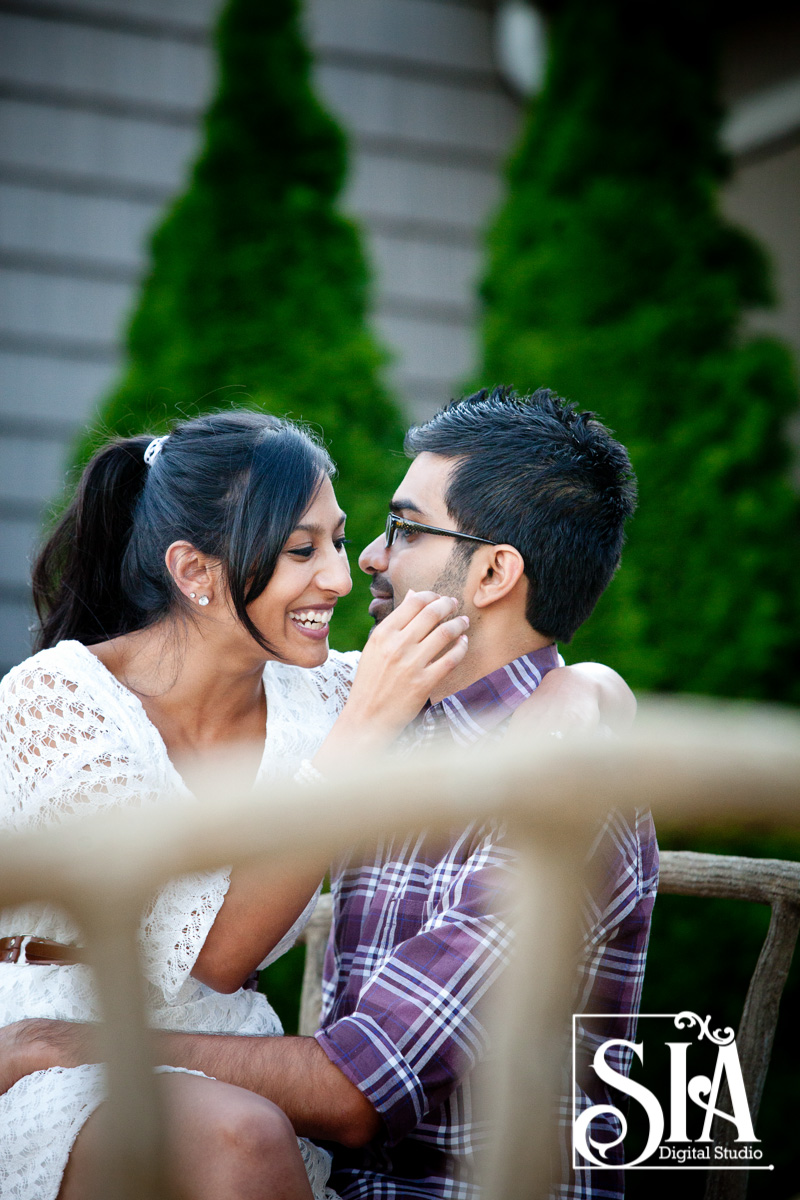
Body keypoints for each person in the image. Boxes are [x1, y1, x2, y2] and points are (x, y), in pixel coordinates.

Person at [0, 404, 630, 1200]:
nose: (348, 569)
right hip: (45, 1046)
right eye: (306, 548)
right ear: (194, 572)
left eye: (376, 532)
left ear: (493, 570)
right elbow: (212, 950)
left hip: (228, 1061)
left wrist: (588, 689)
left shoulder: (332, 697)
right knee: (240, 1134)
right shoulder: (62, 701)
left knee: (243, 1133)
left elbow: (520, 673)